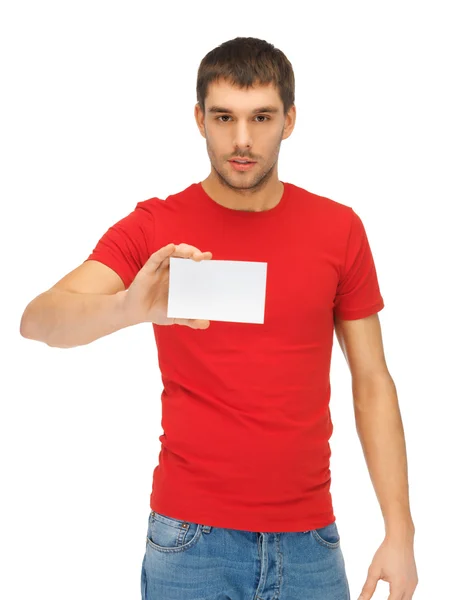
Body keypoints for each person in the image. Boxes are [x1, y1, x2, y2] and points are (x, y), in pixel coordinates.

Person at [19, 36, 418, 600]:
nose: (242, 140)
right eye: (224, 117)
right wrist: (130, 307)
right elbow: (40, 321)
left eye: (262, 117)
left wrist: (399, 532)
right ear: (199, 119)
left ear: (291, 120)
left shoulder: (339, 229)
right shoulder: (157, 225)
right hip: (190, 543)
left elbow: (373, 382)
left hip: (310, 542)